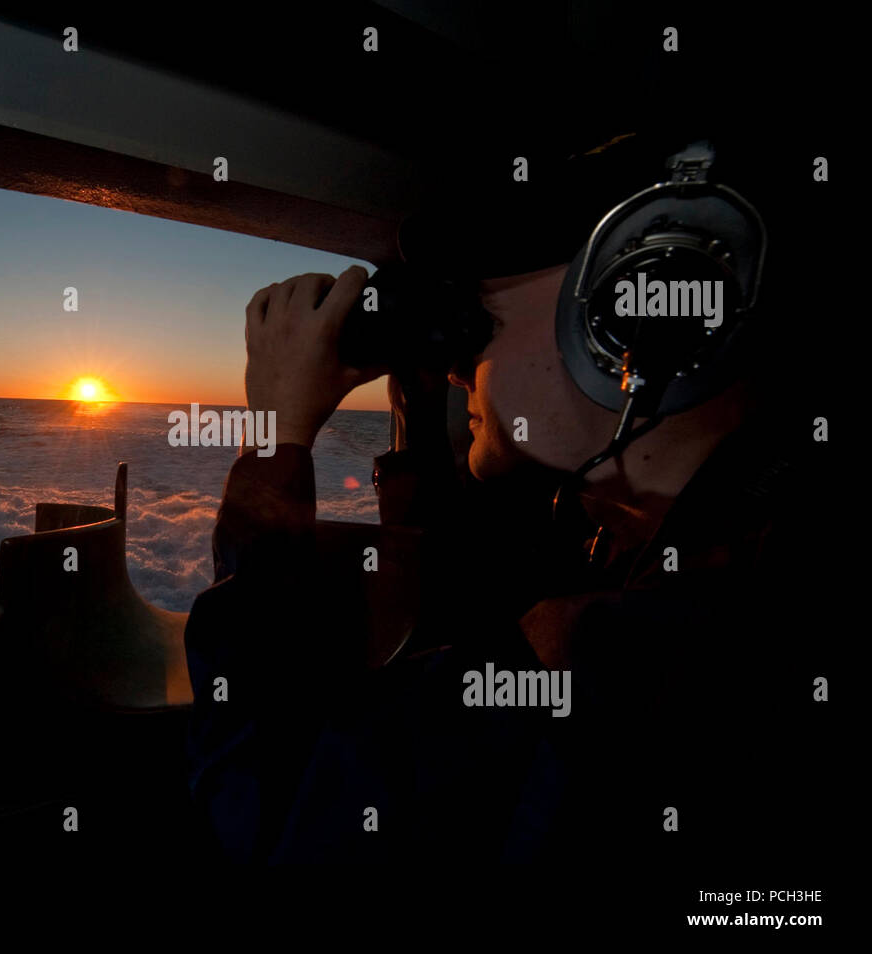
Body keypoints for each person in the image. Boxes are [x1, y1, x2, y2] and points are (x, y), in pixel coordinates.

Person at [182, 133, 840, 866]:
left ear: (639, 321)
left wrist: (276, 437)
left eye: (475, 318)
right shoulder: (696, 550)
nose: (461, 370)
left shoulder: (606, 662)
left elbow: (260, 807)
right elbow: (470, 594)